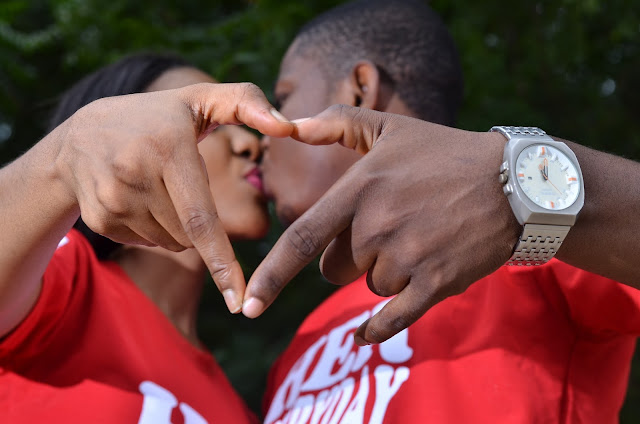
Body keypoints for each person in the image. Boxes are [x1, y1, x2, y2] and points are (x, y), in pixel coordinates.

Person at [240, 1, 640, 422]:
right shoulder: (299, 347)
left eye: (282, 98)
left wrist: (519, 192)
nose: (262, 142)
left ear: (359, 89)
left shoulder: (539, 243)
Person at [0, 53, 293, 423]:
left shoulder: (239, 412)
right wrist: (67, 154)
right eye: (210, 125)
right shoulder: (64, 284)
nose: (250, 143)